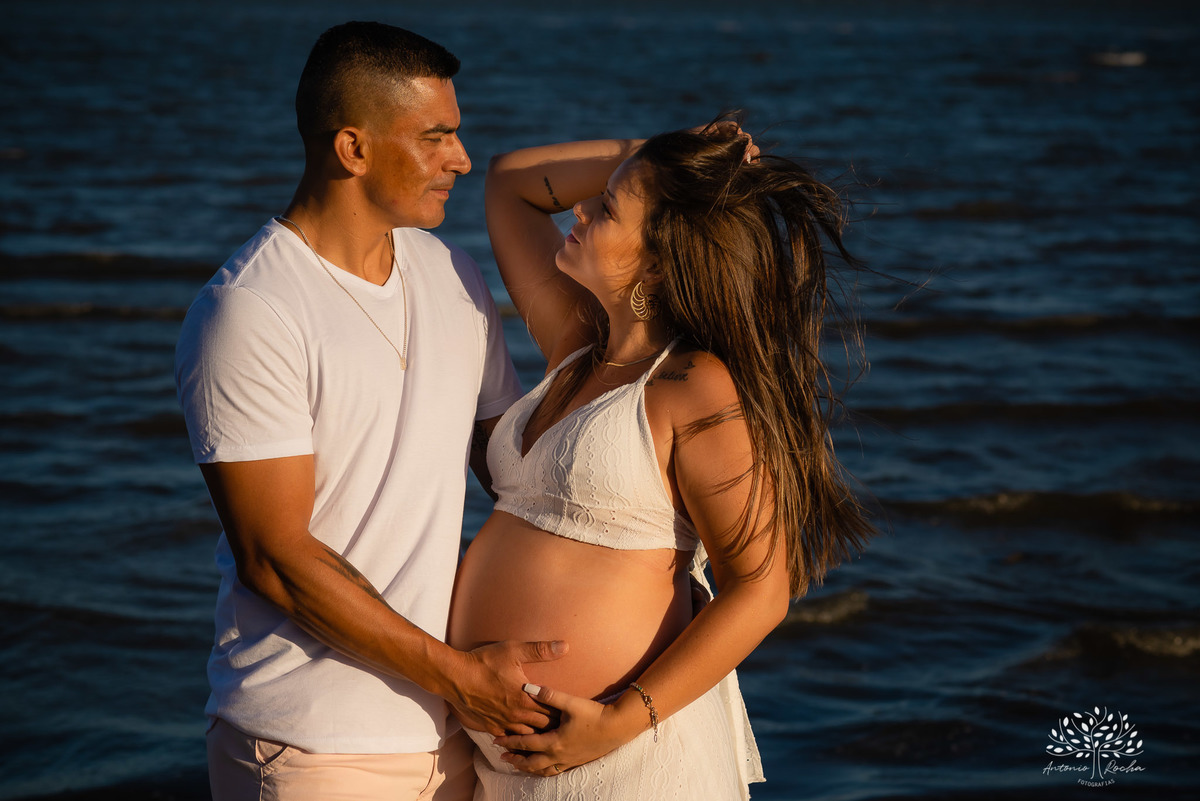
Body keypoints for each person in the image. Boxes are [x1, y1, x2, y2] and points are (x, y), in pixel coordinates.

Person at [175, 22, 566, 801]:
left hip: (452, 733)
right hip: (312, 746)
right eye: (436, 137)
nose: (460, 157)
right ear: (352, 149)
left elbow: (515, 469)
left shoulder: (450, 271)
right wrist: (463, 677)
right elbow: (277, 561)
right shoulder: (252, 310)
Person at [448, 118, 875, 799]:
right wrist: (647, 158)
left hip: (628, 761)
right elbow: (510, 185)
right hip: (513, 770)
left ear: (654, 261)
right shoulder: (577, 349)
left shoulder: (694, 383)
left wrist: (619, 720)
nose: (582, 208)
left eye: (609, 207)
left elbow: (763, 588)